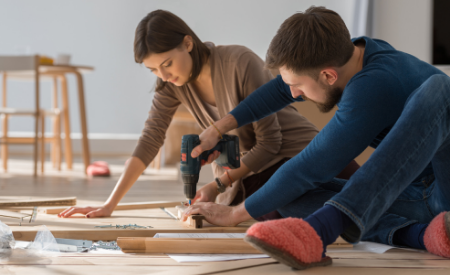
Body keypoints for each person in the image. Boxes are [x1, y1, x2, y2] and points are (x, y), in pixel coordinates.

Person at [184, 6, 450, 269]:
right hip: (416, 194)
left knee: (441, 89)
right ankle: (426, 235)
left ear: (328, 75)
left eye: (297, 86)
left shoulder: (372, 86)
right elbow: (278, 90)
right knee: (288, 198)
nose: (294, 94)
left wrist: (234, 213)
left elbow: (313, 166)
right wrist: (218, 129)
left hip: (442, 188)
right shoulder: (355, 52)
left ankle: (321, 230)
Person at [58, 10, 358, 219]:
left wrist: (217, 185)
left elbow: (271, 143)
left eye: (167, 64)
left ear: (188, 44)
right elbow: (150, 140)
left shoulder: (239, 62)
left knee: (368, 197)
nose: (163, 75)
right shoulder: (171, 86)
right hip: (252, 173)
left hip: (301, 154)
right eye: (153, 70)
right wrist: (110, 204)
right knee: (271, 212)